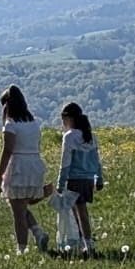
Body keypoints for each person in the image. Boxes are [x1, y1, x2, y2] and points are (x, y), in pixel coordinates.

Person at [0, 85, 50, 254]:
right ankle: (37, 232)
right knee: (20, 206)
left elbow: (8, 150)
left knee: (18, 213)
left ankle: (22, 249)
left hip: (19, 166)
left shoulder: (11, 125)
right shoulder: (33, 123)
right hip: (34, 164)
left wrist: (0, 175)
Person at [56, 102, 104, 255]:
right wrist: (99, 178)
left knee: (79, 213)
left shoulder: (69, 137)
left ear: (69, 118)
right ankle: (85, 241)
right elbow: (97, 160)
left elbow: (65, 163)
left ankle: (86, 243)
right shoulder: (91, 136)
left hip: (75, 179)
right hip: (88, 179)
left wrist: (60, 183)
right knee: (81, 212)